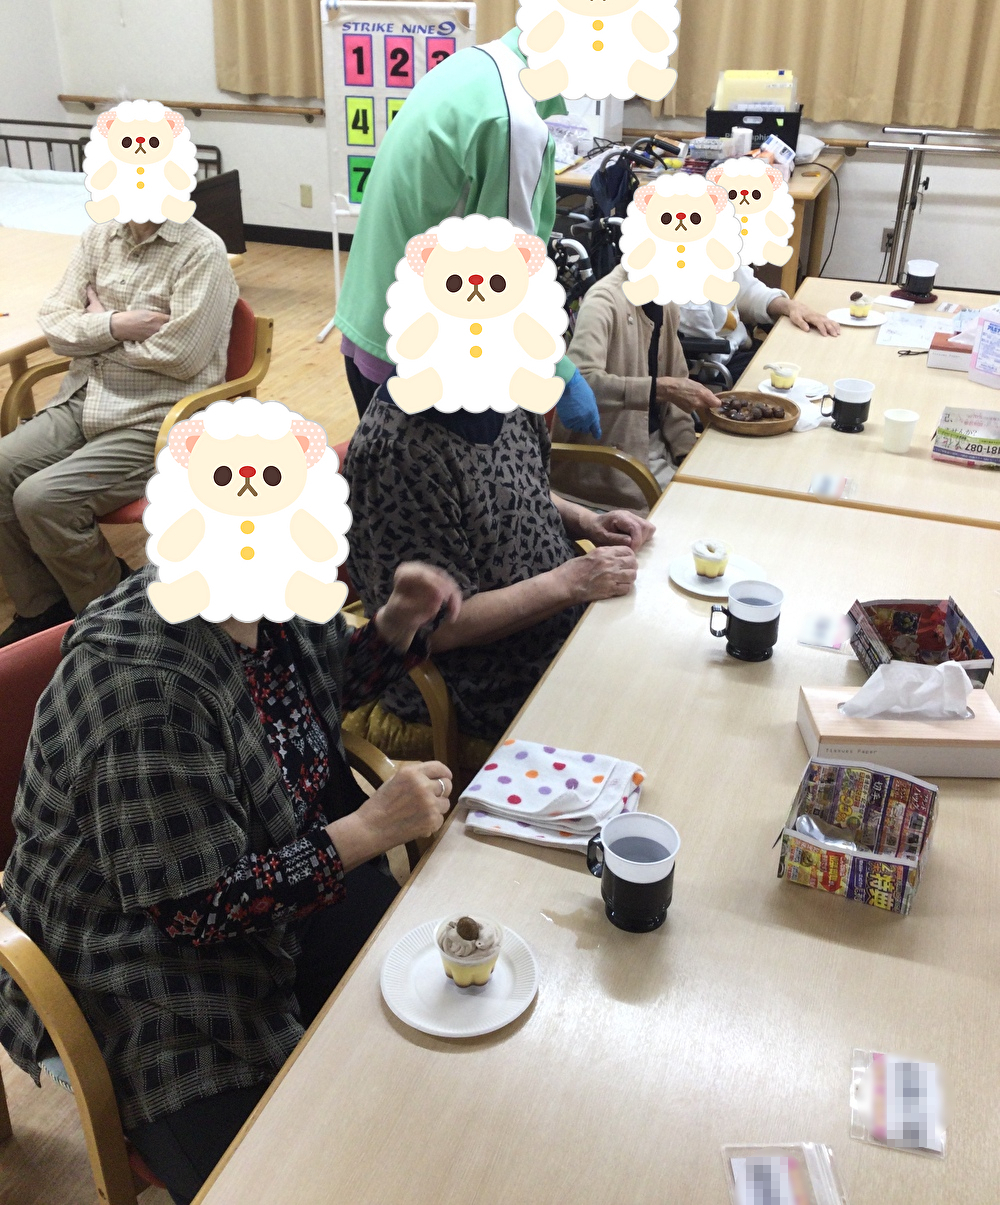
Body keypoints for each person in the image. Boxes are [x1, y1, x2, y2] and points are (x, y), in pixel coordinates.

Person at [0, 560, 460, 1205]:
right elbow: (194, 908)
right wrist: (369, 828)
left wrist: (396, 623)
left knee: (432, 1032)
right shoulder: (139, 687)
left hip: (275, 867)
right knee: (276, 1177)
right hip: (132, 954)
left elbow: (320, 687)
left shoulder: (271, 597)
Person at [343, 383, 653, 778]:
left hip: (562, 622)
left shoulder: (504, 389)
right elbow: (435, 631)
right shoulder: (396, 452)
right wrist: (569, 583)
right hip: (480, 680)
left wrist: (587, 520)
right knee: (638, 727)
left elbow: (527, 489)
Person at [332, 26, 601, 438]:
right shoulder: (512, 122)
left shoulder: (473, 65)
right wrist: (561, 372)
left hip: (369, 319)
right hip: (422, 357)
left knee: (388, 474)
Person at [0, 216, 238, 647]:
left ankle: (118, 619)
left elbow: (180, 356)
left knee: (42, 499)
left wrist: (94, 329)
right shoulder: (98, 235)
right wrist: (118, 325)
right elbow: (54, 324)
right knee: (2, 469)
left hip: (157, 415)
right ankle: (43, 607)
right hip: (86, 398)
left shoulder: (202, 250)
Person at [551, 262, 721, 511]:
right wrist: (660, 389)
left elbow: (679, 398)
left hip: (660, 454)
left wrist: (687, 455)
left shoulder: (667, 303)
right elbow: (581, 383)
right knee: (704, 512)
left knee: (722, 493)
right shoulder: (603, 301)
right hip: (614, 466)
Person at [676, 263, 839, 383]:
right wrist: (742, 338)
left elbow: (747, 292)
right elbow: (708, 359)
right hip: (718, 366)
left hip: (737, 347)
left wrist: (790, 307)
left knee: (814, 358)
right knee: (802, 378)